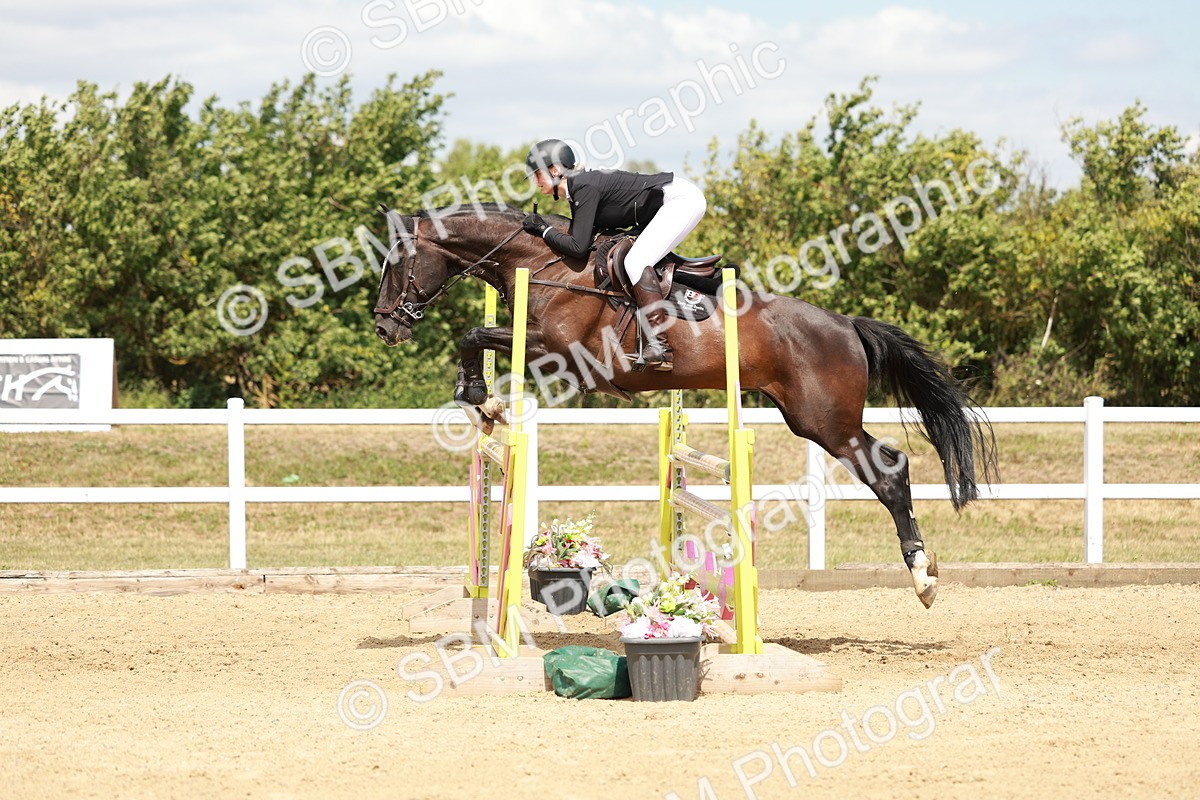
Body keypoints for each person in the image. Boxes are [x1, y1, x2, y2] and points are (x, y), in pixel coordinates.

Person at [520, 138, 707, 371]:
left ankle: (660, 346)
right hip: (669, 202)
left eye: (537, 173)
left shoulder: (583, 186)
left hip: (680, 201)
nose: (535, 181)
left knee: (636, 261)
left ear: (555, 170)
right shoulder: (578, 189)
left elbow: (577, 247)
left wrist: (543, 229)